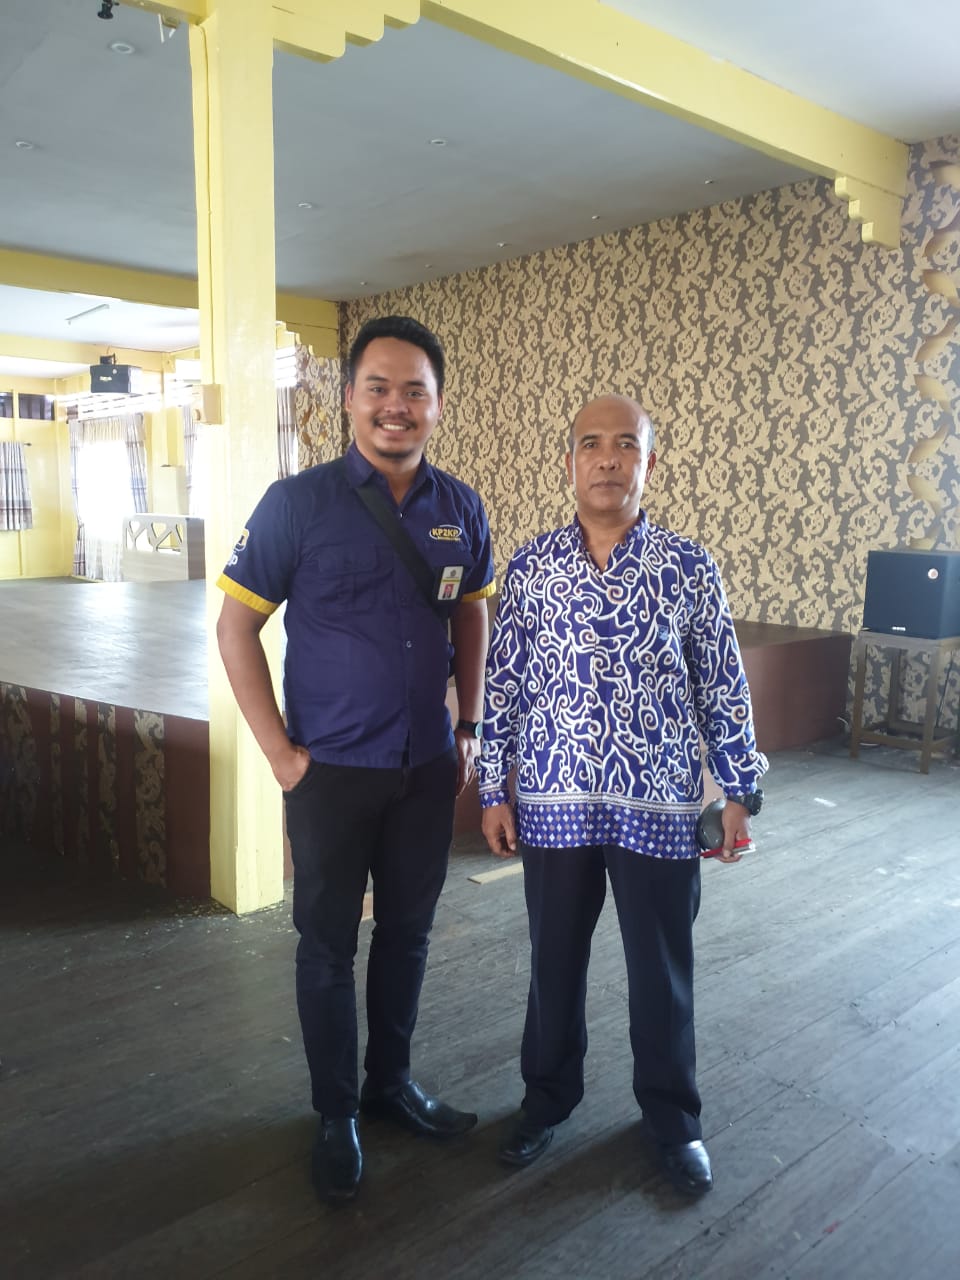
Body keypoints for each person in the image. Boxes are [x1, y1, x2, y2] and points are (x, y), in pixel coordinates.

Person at [216, 315, 496, 1203]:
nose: (395, 406)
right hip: (329, 771)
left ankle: (390, 1086)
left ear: (437, 405)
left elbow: (471, 613)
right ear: (348, 399)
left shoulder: (461, 509)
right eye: (378, 388)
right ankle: (335, 1110)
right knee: (327, 945)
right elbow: (235, 627)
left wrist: (469, 725)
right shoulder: (296, 504)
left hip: (425, 768)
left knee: (408, 933)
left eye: (415, 391)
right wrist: (279, 755)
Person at [478, 394, 768, 1196]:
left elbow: (722, 683)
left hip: (660, 807)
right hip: (554, 803)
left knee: (661, 970)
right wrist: (492, 788)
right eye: (591, 444)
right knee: (553, 961)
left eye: (625, 445)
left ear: (649, 462)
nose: (608, 458)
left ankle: (674, 1122)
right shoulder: (532, 569)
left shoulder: (688, 567)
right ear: (569, 461)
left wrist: (739, 789)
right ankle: (546, 1099)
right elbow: (502, 686)